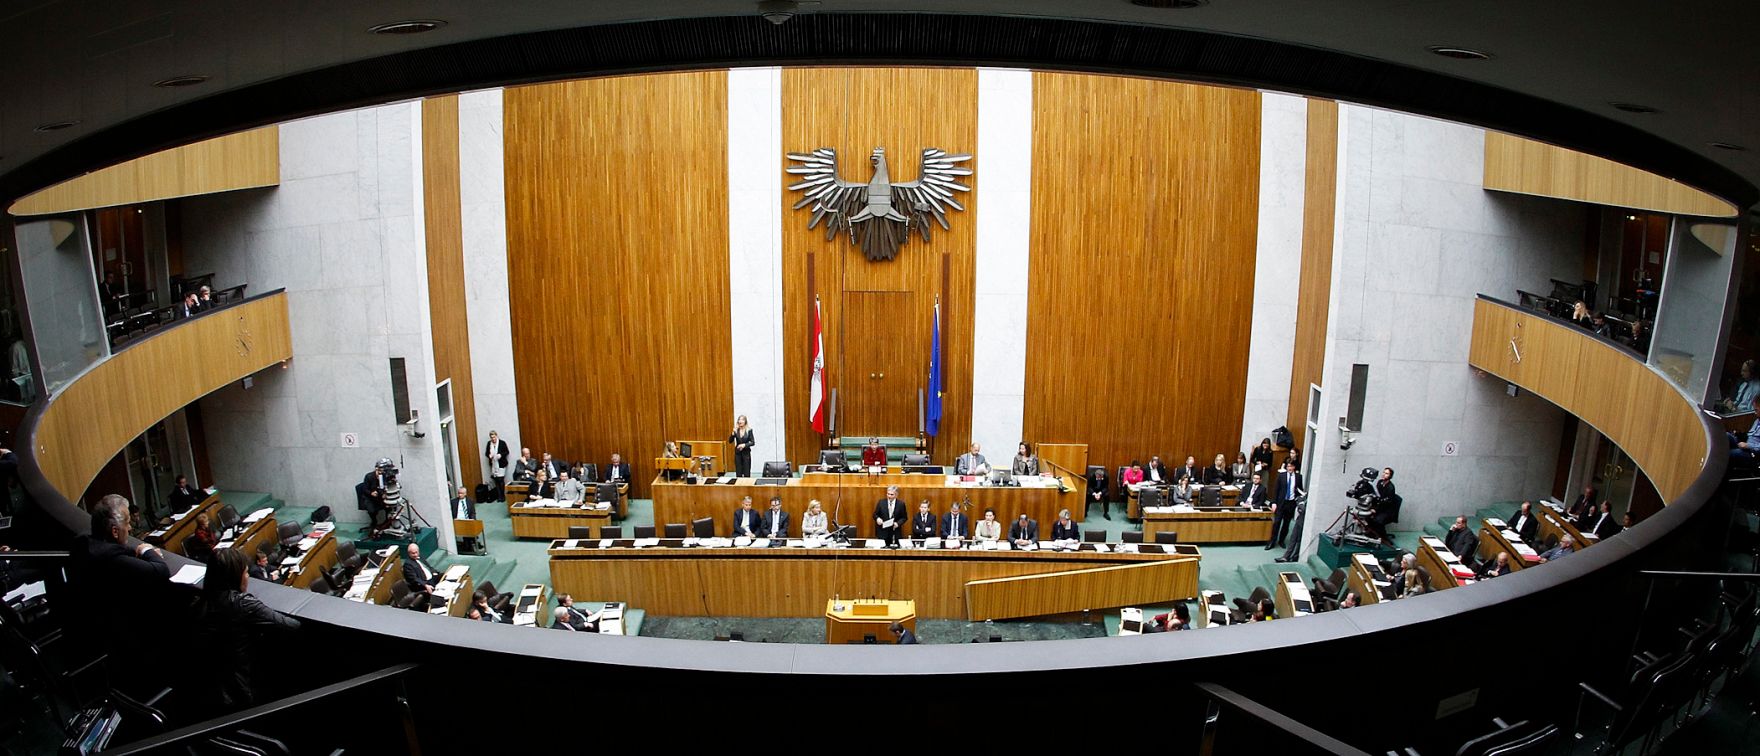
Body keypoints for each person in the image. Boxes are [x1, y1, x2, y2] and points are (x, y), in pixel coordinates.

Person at [195, 548, 299, 711]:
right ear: (235, 577)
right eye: (245, 572)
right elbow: (291, 625)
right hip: (241, 688)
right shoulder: (242, 603)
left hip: (207, 684)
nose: (248, 577)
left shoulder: (200, 600)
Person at [71, 495, 170, 656]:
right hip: (122, 637)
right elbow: (160, 571)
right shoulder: (112, 560)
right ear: (115, 531)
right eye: (127, 523)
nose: (130, 528)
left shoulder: (86, 544)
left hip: (91, 626)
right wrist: (146, 550)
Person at [1268, 460, 1303, 550]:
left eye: (1291, 466)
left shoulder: (1299, 477)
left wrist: (1298, 501)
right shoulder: (1281, 476)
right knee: (1277, 523)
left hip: (1291, 503)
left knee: (1286, 524)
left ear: (1294, 467)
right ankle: (1272, 541)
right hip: (1281, 503)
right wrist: (1274, 502)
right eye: (1288, 466)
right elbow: (1276, 490)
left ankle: (1281, 540)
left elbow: (1299, 490)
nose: (1289, 468)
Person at [401, 543, 441, 611]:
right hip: (424, 583)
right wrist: (425, 585)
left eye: (416, 552)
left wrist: (434, 572)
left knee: (446, 576)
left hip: (432, 577)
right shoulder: (407, 564)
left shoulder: (420, 557)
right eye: (413, 553)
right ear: (409, 553)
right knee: (438, 593)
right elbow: (414, 579)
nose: (415, 555)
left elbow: (429, 567)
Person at [1367, 467, 1400, 541]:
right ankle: (1372, 534)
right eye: (1384, 472)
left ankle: (1383, 538)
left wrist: (1375, 509)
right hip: (1380, 507)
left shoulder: (1391, 487)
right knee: (1368, 516)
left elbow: (1386, 503)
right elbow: (1377, 497)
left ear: (1390, 476)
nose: (1384, 474)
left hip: (1387, 510)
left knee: (1378, 520)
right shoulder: (1380, 482)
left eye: (1386, 473)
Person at [452, 486, 480, 553]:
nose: (460, 495)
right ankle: (469, 545)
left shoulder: (470, 501)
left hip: (467, 520)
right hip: (458, 521)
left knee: (469, 529)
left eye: (461, 493)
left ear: (465, 493)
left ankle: (470, 545)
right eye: (459, 493)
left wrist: (473, 520)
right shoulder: (453, 502)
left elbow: (473, 512)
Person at [483, 430, 509, 502]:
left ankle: (503, 496)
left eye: (494, 437)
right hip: (493, 464)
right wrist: (489, 455)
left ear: (496, 436)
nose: (493, 439)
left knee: (501, 480)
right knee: (496, 480)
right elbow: (486, 453)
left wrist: (500, 455)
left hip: (501, 464)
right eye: (491, 438)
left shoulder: (502, 443)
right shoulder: (489, 444)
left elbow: (506, 452)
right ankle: (499, 496)